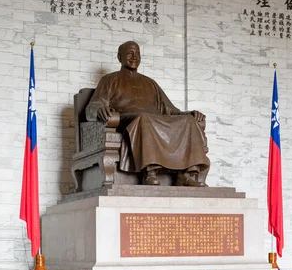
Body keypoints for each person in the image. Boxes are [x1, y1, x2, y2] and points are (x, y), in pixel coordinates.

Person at [85, 41, 210, 186]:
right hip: (129, 120)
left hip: (155, 120)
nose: (134, 57)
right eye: (130, 53)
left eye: (137, 54)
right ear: (120, 57)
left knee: (188, 120)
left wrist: (190, 114)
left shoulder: (150, 83)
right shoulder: (109, 80)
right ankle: (150, 172)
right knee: (144, 118)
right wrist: (100, 110)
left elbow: (170, 110)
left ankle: (187, 174)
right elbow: (92, 108)